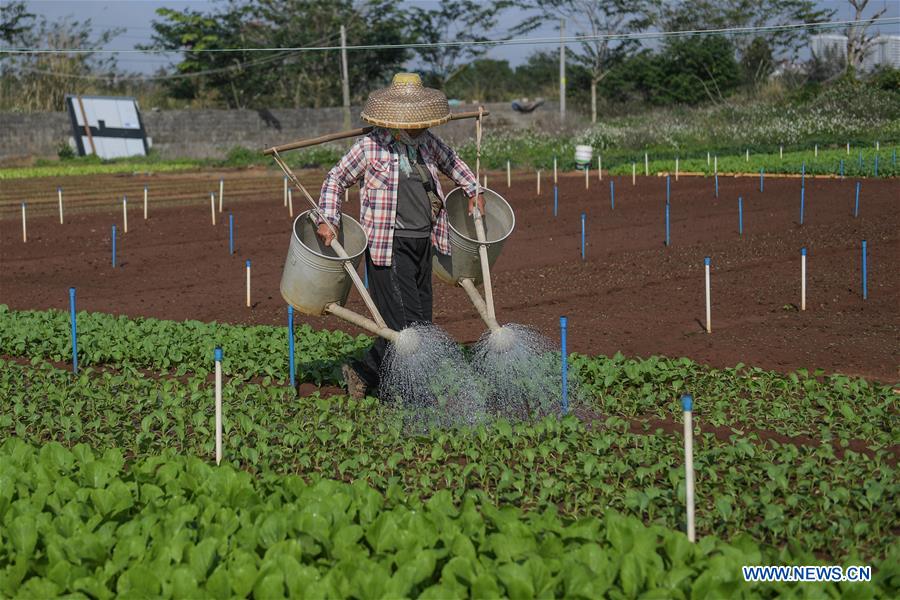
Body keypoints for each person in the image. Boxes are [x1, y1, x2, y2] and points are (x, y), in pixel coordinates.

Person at [316, 73, 485, 399]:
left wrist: (473, 188)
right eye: (416, 121)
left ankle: (364, 372)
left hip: (423, 242)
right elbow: (336, 178)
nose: (421, 125)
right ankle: (405, 394)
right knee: (404, 325)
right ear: (398, 118)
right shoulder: (371, 146)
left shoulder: (427, 143)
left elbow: (452, 162)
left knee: (419, 321)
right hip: (387, 246)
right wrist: (328, 218)